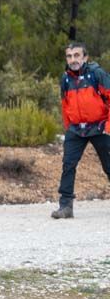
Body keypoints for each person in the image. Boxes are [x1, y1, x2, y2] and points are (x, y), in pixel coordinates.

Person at [52, 41, 110, 218]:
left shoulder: (97, 74)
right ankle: (66, 207)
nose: (73, 60)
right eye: (69, 56)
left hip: (100, 127)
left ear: (85, 57)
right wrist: (68, 126)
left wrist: (108, 126)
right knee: (68, 165)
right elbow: (65, 104)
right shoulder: (66, 79)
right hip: (76, 130)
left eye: (77, 55)